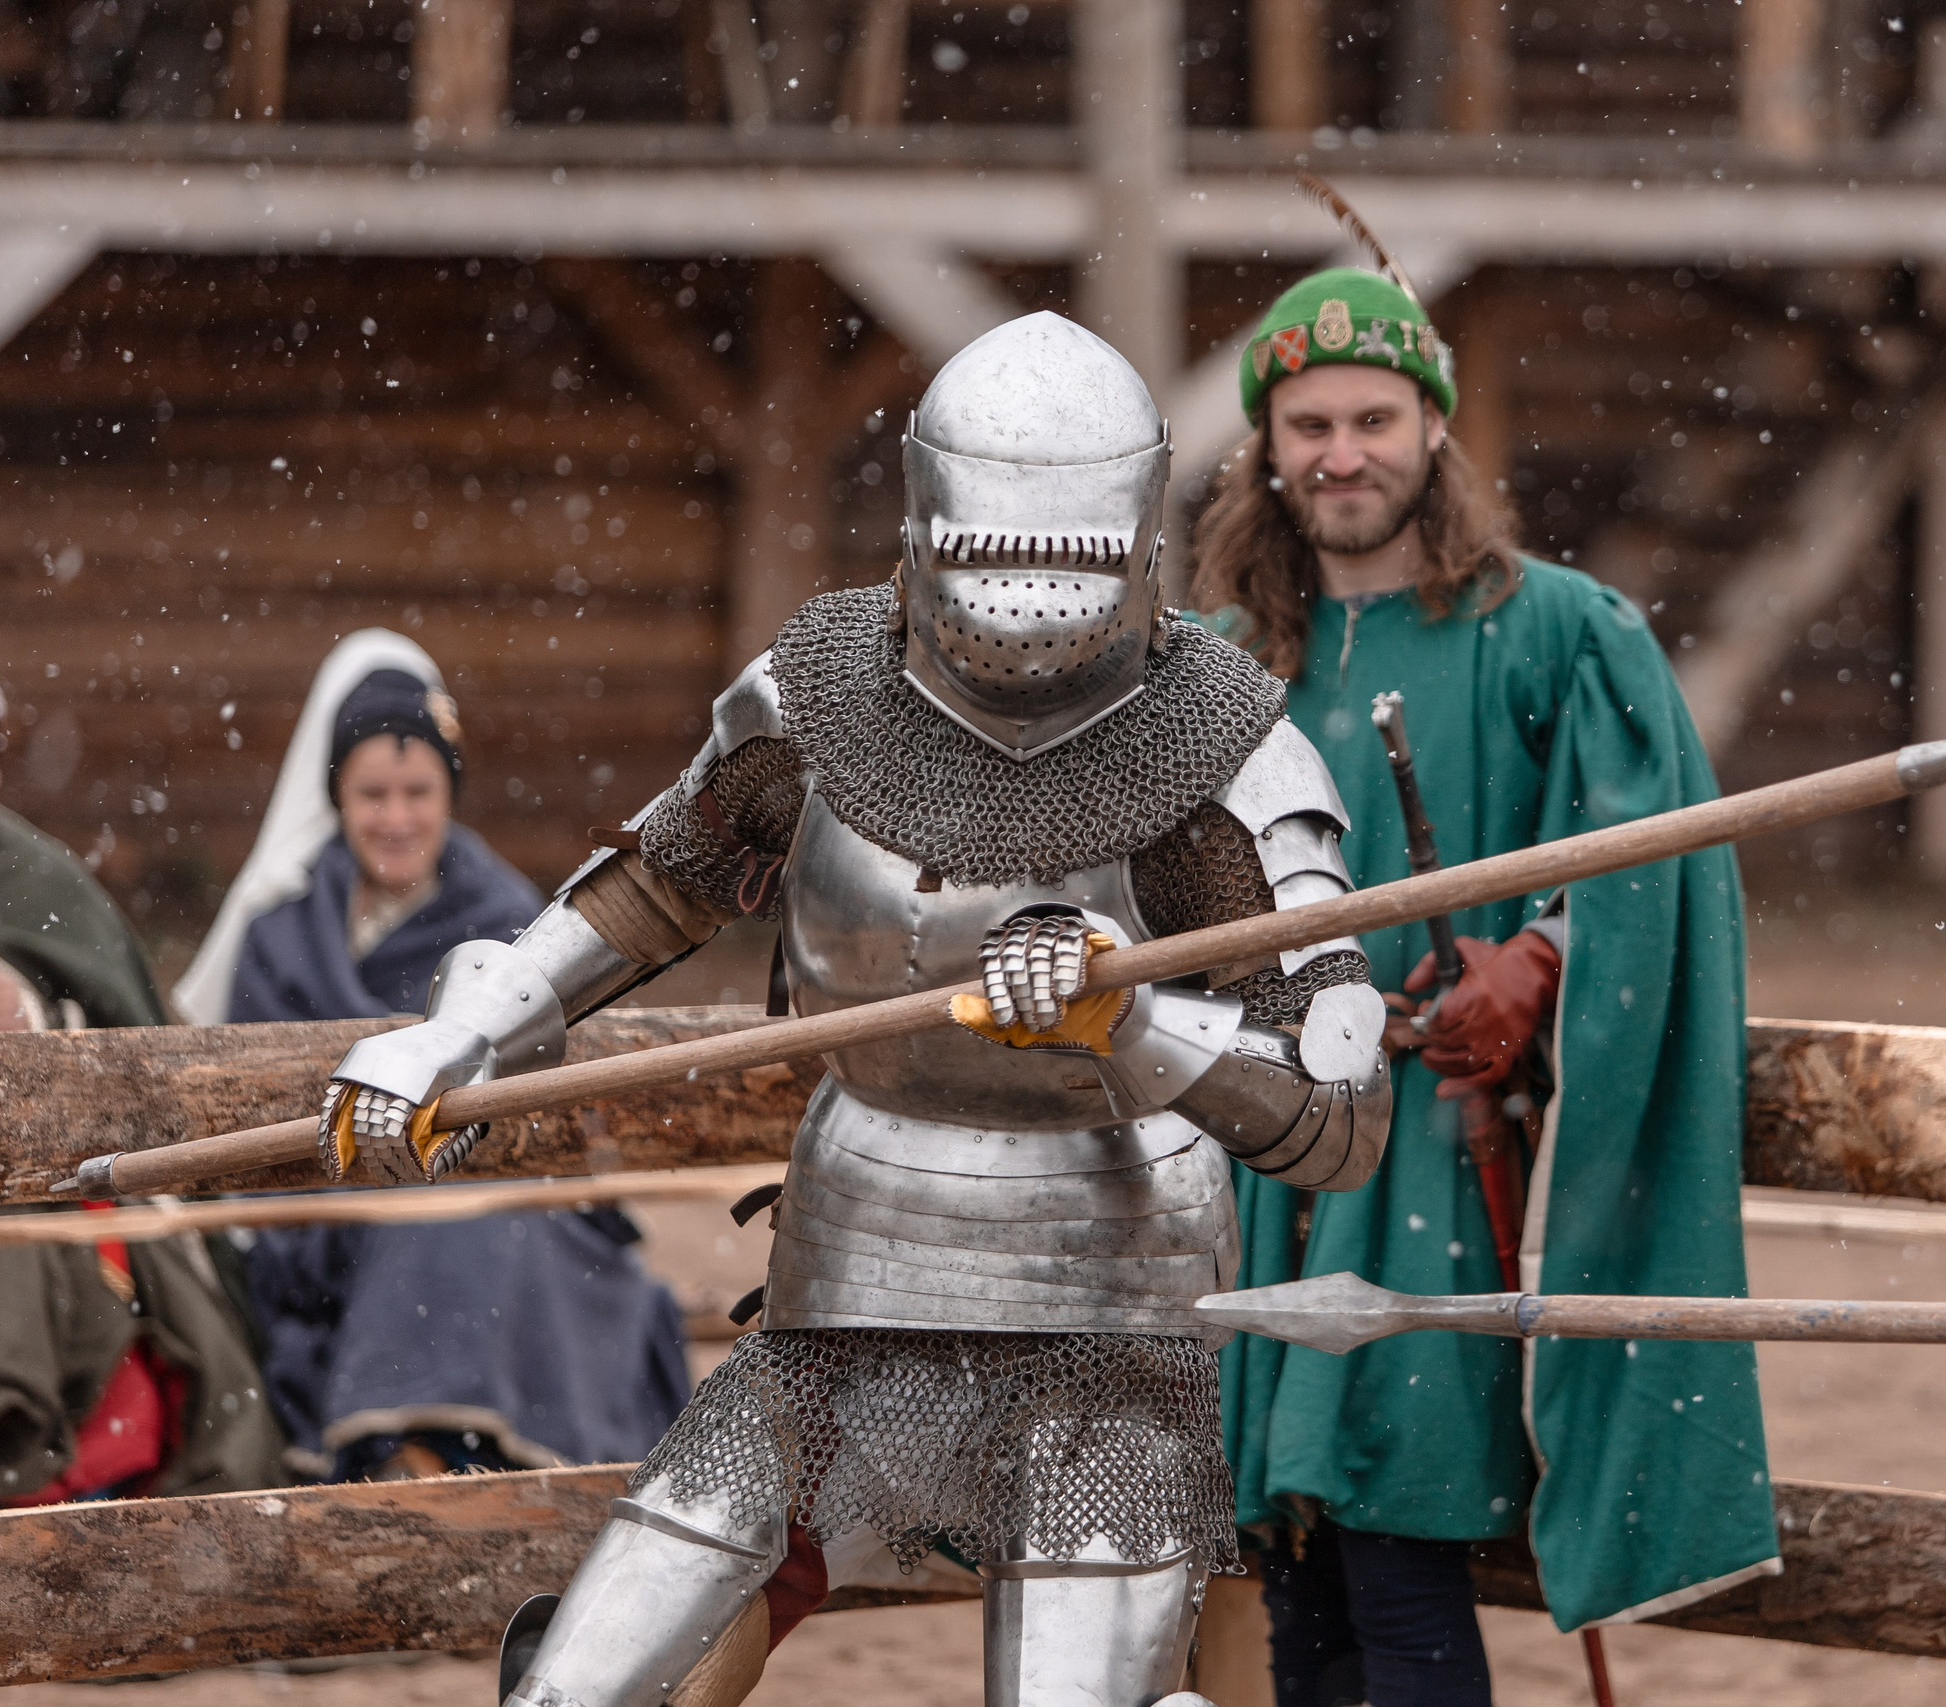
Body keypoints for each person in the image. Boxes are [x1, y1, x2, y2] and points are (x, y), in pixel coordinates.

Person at [307, 312, 1393, 1707]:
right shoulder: (818, 696)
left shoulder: (1227, 750)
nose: (1024, 601)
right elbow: (654, 886)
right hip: (847, 1265)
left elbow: (1339, 1113)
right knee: (573, 1693)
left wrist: (1128, 1022)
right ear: (929, 521)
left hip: (1110, 1294)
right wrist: (459, 1031)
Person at [1190, 266, 1778, 1700]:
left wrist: (1541, 957)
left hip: (1439, 1155)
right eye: (1309, 421)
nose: (1341, 452)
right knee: (1297, 1562)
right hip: (1270, 1149)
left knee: (1395, 1541)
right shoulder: (1215, 666)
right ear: (1266, 446)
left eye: (1374, 417)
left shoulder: (1563, 633)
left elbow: (1656, 866)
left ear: (1434, 428)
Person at [173, 632, 690, 1482]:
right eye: (372, 792)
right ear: (337, 792)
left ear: (450, 791)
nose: (397, 817)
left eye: (419, 791)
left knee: (468, 1222)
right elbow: (251, 1103)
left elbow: (548, 1099)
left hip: (489, 1188)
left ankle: (435, 1453)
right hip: (323, 1203)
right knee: (419, 1225)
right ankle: (423, 1445)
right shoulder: (283, 934)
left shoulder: (508, 921)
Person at [0, 615, 285, 1507]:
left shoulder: (43, 881)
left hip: (53, 1170)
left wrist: (33, 1016)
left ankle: (26, 1453)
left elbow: (131, 1045)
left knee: (49, 1244)